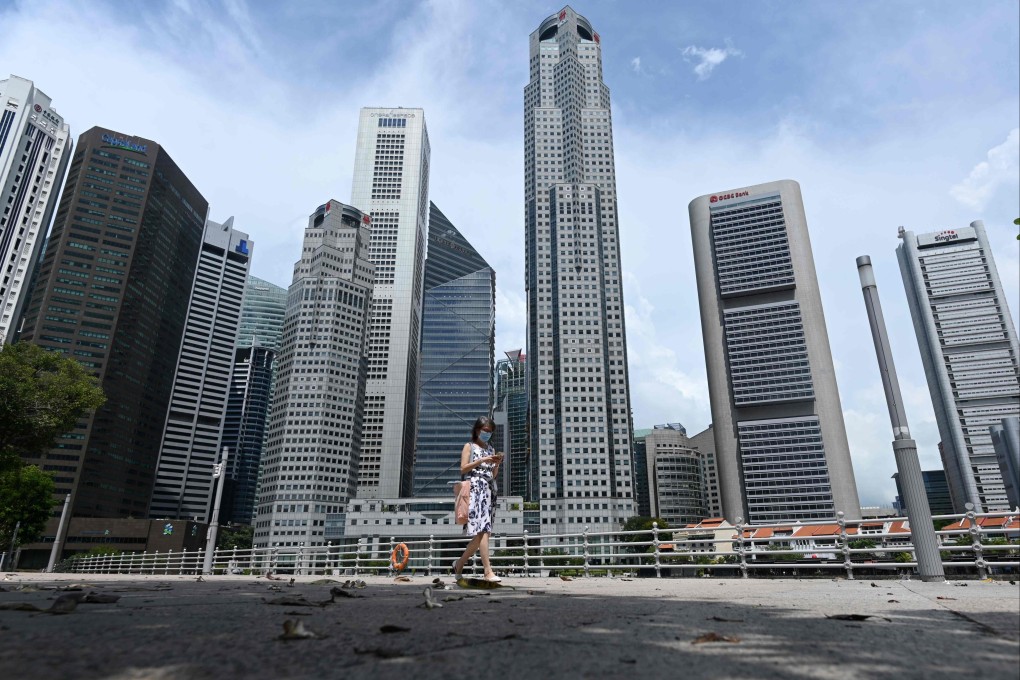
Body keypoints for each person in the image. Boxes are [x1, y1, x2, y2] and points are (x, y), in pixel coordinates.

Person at [452, 416, 504, 582]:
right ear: (477, 430)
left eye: (490, 431)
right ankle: (487, 571)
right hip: (476, 488)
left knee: (484, 532)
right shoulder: (470, 446)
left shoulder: (491, 448)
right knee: (483, 530)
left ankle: (459, 564)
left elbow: (493, 474)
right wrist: (482, 460)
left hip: (489, 490)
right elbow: (463, 468)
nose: (488, 434)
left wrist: (496, 463)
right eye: (485, 430)